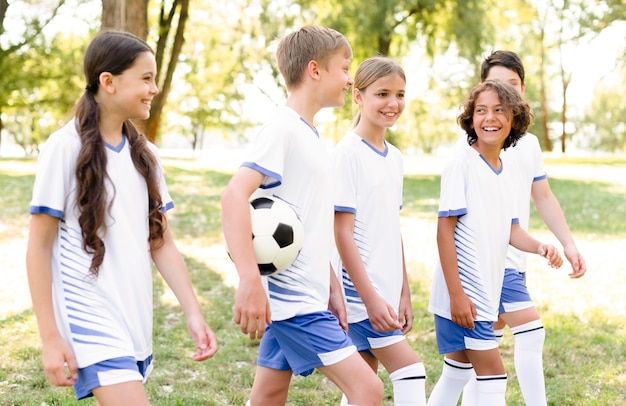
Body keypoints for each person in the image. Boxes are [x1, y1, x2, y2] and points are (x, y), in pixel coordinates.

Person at [25, 30, 218, 404]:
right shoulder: (63, 148)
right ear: (108, 82)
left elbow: (160, 242)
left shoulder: (146, 155)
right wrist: (50, 337)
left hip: (134, 318)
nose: (155, 88)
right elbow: (37, 248)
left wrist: (193, 312)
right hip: (90, 318)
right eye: (146, 78)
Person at [220, 26, 384, 406]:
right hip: (293, 305)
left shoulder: (309, 134)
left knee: (269, 396)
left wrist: (330, 284)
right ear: (315, 70)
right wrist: (249, 281)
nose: (349, 79)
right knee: (368, 389)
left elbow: (305, 224)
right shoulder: (283, 129)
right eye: (344, 68)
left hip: (306, 297)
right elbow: (233, 197)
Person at [460, 50, 587, 406]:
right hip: (485, 260)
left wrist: (569, 244)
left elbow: (543, 196)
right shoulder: (471, 145)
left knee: (481, 354)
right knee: (531, 334)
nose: (502, 97)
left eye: (511, 87)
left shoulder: (528, 144)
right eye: (495, 87)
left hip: (517, 256)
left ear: (522, 90)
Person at [427, 80, 564, 406]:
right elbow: (443, 232)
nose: (490, 118)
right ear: (470, 118)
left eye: (499, 110)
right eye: (481, 110)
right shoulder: (461, 165)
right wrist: (458, 296)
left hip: (483, 295)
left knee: (456, 373)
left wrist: (540, 246)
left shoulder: (505, 170)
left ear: (514, 119)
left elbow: (512, 229)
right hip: (462, 297)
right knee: (493, 377)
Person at [332, 56, 426, 406]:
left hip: (386, 293)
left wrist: (404, 292)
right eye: (382, 93)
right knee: (411, 372)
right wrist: (370, 298)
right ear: (358, 96)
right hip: (360, 296)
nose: (393, 104)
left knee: (361, 387)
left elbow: (391, 227)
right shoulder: (346, 155)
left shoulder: (395, 158)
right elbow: (342, 234)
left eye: (400, 94)